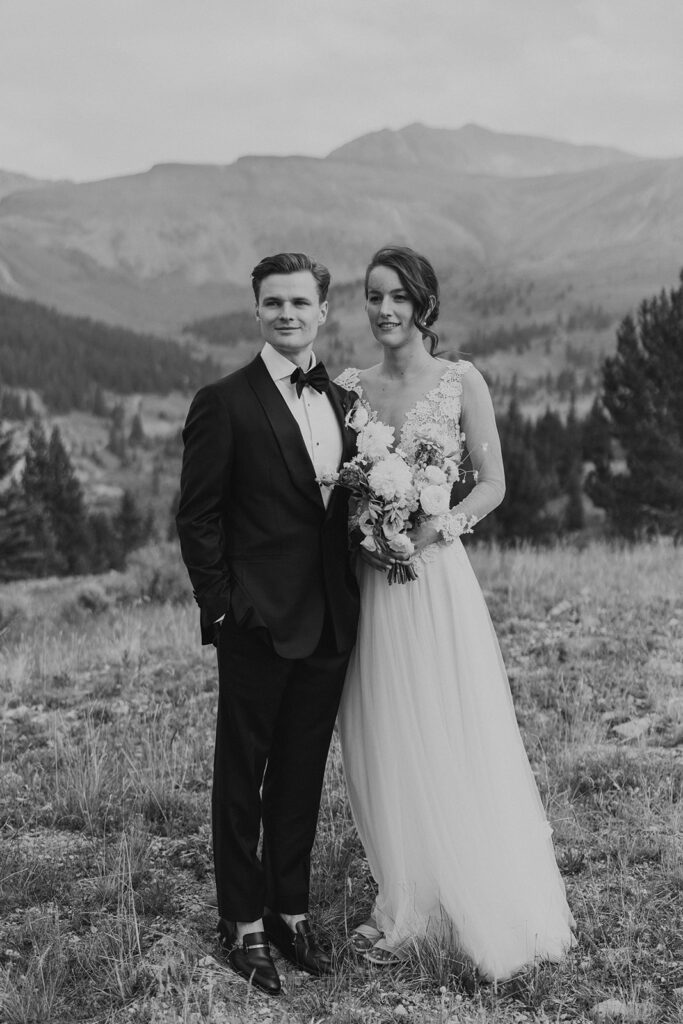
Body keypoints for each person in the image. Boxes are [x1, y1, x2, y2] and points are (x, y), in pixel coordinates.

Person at [335, 245, 575, 982]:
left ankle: (474, 880)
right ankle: (406, 889)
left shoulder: (460, 381)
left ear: (423, 303)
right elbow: (338, 491)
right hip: (372, 582)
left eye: (399, 297)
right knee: (384, 727)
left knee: (451, 719)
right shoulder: (349, 388)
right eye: (374, 296)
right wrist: (364, 530)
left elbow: (493, 483)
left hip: (437, 580)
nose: (384, 310)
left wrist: (435, 528)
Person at [176, 252, 360, 996]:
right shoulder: (223, 401)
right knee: (241, 777)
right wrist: (223, 609)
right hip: (255, 623)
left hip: (330, 623)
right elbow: (198, 516)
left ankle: (289, 909)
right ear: (256, 310)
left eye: (300, 303)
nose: (287, 314)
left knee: (301, 774)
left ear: (323, 310)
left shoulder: (348, 403)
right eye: (273, 303)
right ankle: (241, 924)